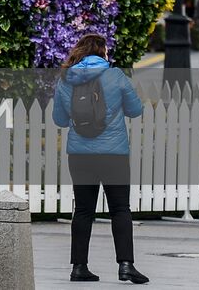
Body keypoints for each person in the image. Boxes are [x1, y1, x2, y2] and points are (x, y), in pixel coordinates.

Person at [53, 34, 148, 284]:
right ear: (103, 51)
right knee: (120, 208)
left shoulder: (66, 80)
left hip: (79, 155)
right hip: (113, 154)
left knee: (83, 210)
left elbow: (60, 120)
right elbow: (136, 110)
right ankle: (126, 265)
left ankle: (79, 267)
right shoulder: (115, 76)